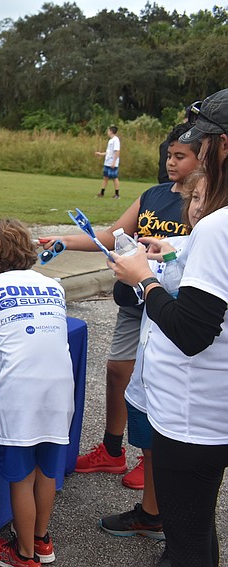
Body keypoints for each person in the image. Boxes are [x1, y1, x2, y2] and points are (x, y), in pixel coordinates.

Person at [109, 88, 228, 567]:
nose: (195, 155)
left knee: (184, 541)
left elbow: (192, 332)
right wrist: (177, 251)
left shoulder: (216, 228)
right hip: (214, 410)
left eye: (201, 144)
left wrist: (144, 280)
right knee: (199, 525)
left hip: (191, 415)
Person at [42, 122, 197, 490]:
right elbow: (114, 235)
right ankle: (113, 450)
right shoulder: (153, 194)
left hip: (169, 307)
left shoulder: (203, 203)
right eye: (169, 155)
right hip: (134, 303)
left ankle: (152, 459)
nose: (172, 162)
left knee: (155, 382)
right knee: (117, 372)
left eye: (181, 156)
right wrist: (63, 239)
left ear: (202, 157)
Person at [100, 172, 205, 565]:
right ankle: (151, 513)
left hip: (186, 393)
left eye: (202, 198)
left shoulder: (211, 247)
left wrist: (144, 279)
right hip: (154, 376)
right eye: (193, 199)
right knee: (153, 448)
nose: (194, 206)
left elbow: (189, 323)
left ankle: (176, 541)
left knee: (189, 501)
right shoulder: (183, 243)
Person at [0, 219, 74, 567]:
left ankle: (24, 553)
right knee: (47, 471)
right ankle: (42, 541)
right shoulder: (53, 285)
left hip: (21, 392)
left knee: (22, 476)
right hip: (61, 388)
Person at [95, 125, 121, 198]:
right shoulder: (110, 141)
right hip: (107, 162)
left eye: (108, 131)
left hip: (112, 163)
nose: (107, 132)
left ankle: (117, 194)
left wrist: (114, 162)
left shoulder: (116, 140)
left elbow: (117, 151)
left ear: (111, 131)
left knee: (114, 178)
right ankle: (102, 192)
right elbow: (109, 152)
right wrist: (100, 154)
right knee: (105, 177)